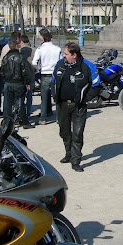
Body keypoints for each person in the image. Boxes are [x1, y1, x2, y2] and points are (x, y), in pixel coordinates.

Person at [53, 42, 100, 173]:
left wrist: (84, 99)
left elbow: (96, 86)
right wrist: (54, 95)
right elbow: (53, 81)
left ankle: (76, 160)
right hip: (62, 105)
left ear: (74, 55)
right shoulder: (60, 65)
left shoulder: (87, 66)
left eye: (66, 54)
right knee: (64, 132)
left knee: (77, 134)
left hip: (78, 106)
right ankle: (68, 154)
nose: (63, 56)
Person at [1, 38, 34, 128]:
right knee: (21, 103)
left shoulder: (5, 58)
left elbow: (2, 71)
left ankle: (7, 121)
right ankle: (24, 121)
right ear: (16, 46)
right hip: (19, 83)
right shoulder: (20, 57)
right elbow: (24, 71)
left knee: (8, 103)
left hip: (9, 82)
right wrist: (26, 82)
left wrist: (5, 79)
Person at [32, 28, 62, 125]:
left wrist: (38, 69)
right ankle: (59, 117)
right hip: (55, 74)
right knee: (57, 97)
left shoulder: (40, 49)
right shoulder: (57, 49)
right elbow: (61, 62)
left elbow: (34, 62)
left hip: (44, 73)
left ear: (43, 39)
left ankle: (43, 118)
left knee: (44, 97)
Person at [20, 34, 35, 120]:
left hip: (22, 75)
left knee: (21, 95)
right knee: (29, 96)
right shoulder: (33, 50)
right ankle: (28, 112)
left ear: (21, 42)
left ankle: (21, 113)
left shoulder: (19, 50)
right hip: (31, 74)